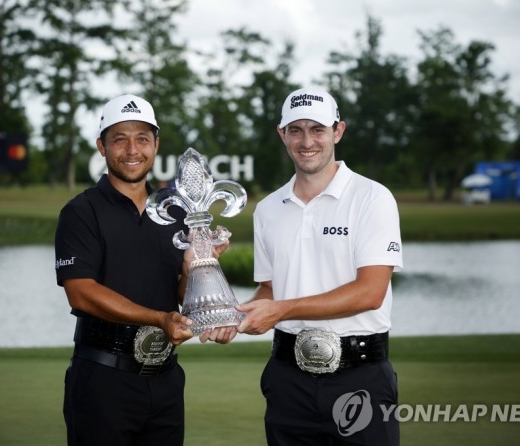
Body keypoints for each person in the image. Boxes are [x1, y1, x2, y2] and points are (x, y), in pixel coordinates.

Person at [55, 93, 225, 446]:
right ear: (102, 146)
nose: (132, 150)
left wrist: (200, 271)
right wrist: (158, 319)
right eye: (120, 139)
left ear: (156, 145)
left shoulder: (174, 211)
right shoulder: (81, 211)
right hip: (103, 377)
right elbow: (81, 292)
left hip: (165, 378)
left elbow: (180, 291)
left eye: (142, 139)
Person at [237, 87, 403, 445]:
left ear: (337, 132)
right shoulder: (268, 208)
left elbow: (371, 292)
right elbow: (271, 287)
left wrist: (281, 309)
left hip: (359, 376)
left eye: (318, 129)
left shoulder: (372, 198)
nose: (306, 141)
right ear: (282, 135)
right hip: (287, 378)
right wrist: (239, 315)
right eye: (295, 130)